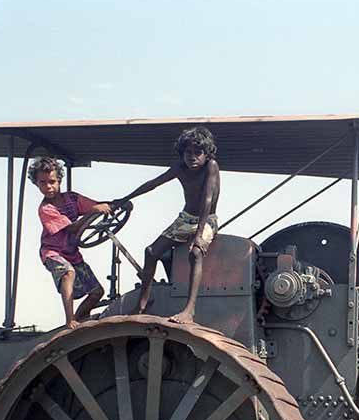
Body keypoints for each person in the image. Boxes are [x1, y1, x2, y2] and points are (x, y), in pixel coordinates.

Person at [116, 126, 220, 323]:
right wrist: (123, 199)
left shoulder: (211, 167)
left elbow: (208, 199)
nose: (192, 157)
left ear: (207, 154)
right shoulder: (179, 168)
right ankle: (142, 305)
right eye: (188, 153)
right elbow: (153, 183)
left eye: (198, 152)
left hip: (207, 219)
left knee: (195, 252)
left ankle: (189, 310)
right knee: (151, 251)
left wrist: (199, 235)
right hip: (186, 218)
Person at [30, 156, 111, 329]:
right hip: (53, 252)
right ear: (36, 184)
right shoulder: (46, 209)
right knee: (68, 272)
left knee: (97, 292)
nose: (48, 186)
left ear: (59, 180)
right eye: (42, 183)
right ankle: (70, 320)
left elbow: (95, 206)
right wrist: (92, 212)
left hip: (72, 252)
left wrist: (115, 204)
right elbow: (73, 228)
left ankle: (80, 319)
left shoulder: (72, 199)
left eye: (52, 181)